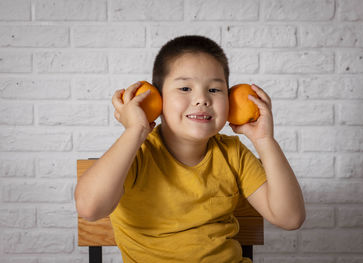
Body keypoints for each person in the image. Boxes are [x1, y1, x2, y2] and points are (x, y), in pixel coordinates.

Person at [75, 35, 305, 263]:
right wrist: (135, 130)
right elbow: (90, 208)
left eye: (214, 90)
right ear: (158, 98)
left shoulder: (233, 154)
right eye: (185, 88)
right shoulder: (136, 154)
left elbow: (290, 217)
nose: (202, 99)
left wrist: (265, 140)